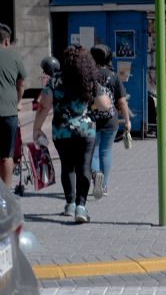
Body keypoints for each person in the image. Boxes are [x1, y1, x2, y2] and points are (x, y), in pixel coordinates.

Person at [32, 45, 112, 223]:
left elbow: (43, 106)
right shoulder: (89, 80)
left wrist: (36, 129)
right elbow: (106, 105)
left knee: (67, 167)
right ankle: (81, 207)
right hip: (86, 131)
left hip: (62, 131)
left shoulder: (54, 81)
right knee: (83, 167)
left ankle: (69, 204)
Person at [89, 45, 131, 198]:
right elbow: (122, 102)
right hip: (110, 119)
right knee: (105, 152)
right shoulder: (113, 76)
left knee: (93, 153)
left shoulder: (89, 75)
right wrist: (127, 121)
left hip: (91, 120)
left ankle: (96, 177)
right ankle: (104, 186)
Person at [0, 24, 26, 187]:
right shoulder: (15, 57)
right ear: (7, 41)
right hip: (9, 112)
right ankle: (6, 195)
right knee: (6, 155)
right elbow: (21, 83)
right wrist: (18, 102)